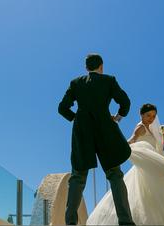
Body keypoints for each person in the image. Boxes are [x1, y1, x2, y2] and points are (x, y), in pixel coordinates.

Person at [86, 103, 164, 225]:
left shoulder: (153, 129)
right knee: (146, 198)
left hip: (154, 166)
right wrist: (119, 148)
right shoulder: (140, 127)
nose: (151, 118)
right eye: (148, 115)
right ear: (141, 115)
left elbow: (159, 147)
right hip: (146, 168)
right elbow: (131, 140)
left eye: (153, 116)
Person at [58, 54, 135, 225]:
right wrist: (118, 117)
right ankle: (126, 222)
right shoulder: (109, 80)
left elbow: (62, 108)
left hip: (82, 132)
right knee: (115, 175)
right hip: (106, 130)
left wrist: (76, 119)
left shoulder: (76, 83)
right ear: (101, 66)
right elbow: (125, 102)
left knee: (77, 177)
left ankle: (70, 223)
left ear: (86, 68)